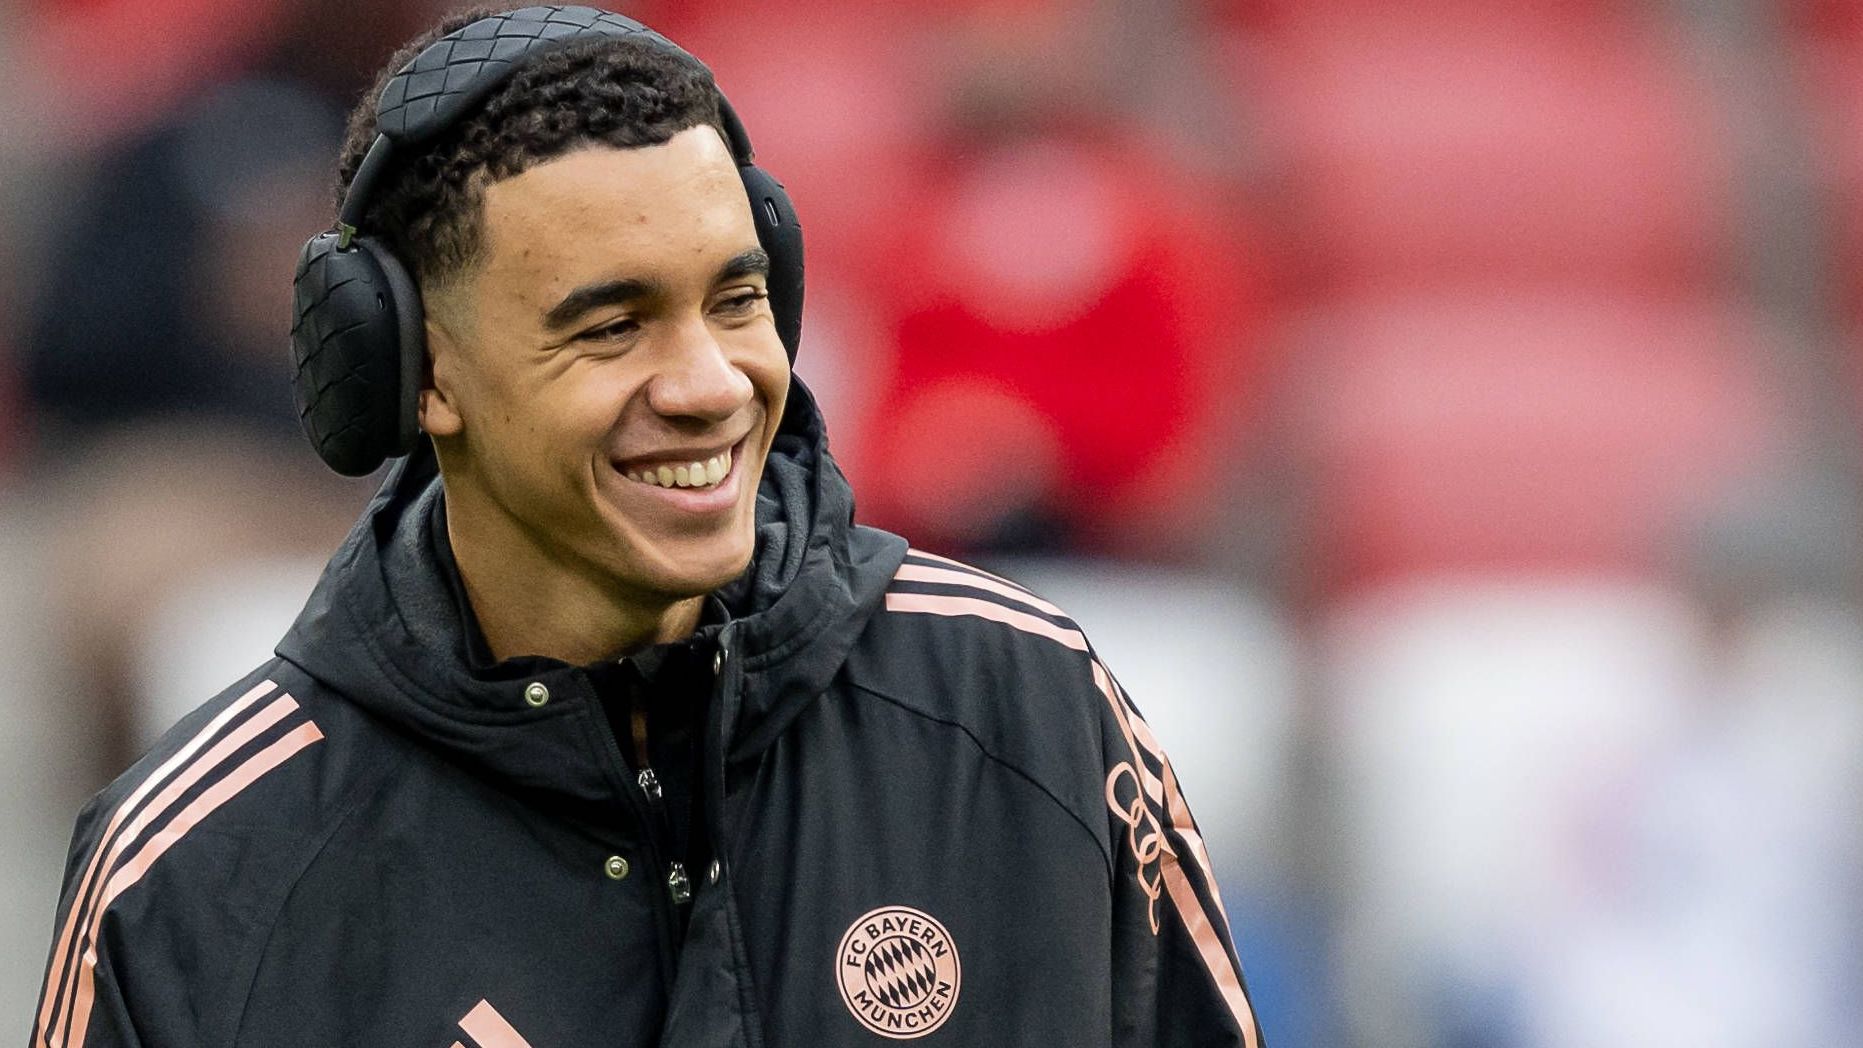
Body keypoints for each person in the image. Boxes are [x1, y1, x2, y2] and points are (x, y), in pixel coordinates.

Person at [30, 6, 1263, 1046]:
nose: (712, 385)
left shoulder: (1030, 710)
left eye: (736, 300)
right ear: (421, 372)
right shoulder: (193, 876)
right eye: (611, 326)